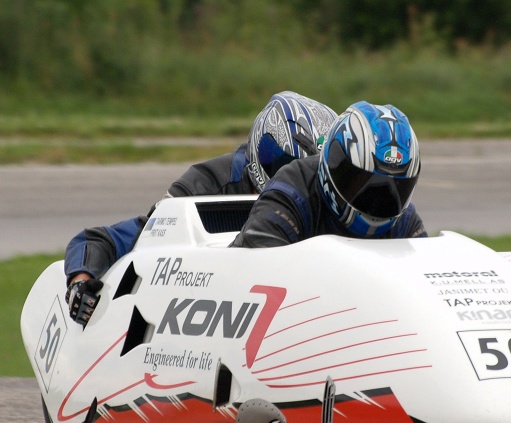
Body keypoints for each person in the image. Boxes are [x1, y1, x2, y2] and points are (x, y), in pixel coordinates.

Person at [64, 91, 338, 326]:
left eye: (310, 171)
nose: (295, 180)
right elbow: (112, 238)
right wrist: (81, 279)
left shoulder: (328, 196)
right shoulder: (205, 187)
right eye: (286, 166)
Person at [231, 101, 426, 249]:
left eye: (395, 190)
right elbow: (259, 261)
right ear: (336, 165)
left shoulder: (404, 220)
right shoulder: (292, 194)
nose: (378, 202)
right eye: (363, 184)